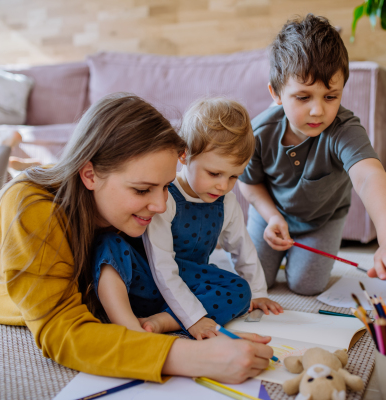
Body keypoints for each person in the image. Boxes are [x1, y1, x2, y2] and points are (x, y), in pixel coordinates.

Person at [0, 93, 274, 384]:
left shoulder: (122, 208)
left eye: (166, 186)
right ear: (90, 174)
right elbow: (61, 332)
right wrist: (192, 357)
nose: (161, 205)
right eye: (142, 189)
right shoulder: (32, 215)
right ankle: (4, 145)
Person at [237, 15, 386, 296]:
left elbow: (369, 177)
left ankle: (298, 262)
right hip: (270, 215)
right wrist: (271, 217)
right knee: (255, 281)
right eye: (303, 97)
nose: (318, 111)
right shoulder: (259, 132)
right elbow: (249, 183)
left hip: (323, 220)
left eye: (330, 96)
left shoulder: (344, 129)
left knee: (306, 285)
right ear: (276, 93)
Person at [93, 98, 283, 340]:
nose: (223, 185)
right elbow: (161, 265)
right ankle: (124, 319)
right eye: (214, 173)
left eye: (234, 176)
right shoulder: (165, 197)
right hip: (146, 277)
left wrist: (257, 292)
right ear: (184, 156)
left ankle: (164, 321)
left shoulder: (227, 203)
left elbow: (242, 249)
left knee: (239, 291)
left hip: (191, 282)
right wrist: (192, 318)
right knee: (109, 245)